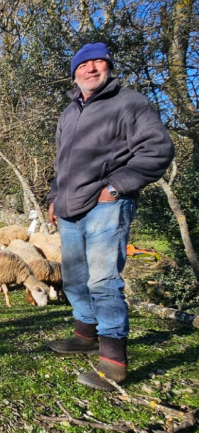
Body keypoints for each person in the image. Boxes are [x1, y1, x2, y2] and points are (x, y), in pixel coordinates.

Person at [46, 42, 174, 391]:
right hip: (70, 210)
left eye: (97, 62)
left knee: (104, 281)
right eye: (83, 64)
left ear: (108, 66)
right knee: (74, 278)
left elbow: (158, 149)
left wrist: (117, 187)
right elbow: (61, 163)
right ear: (74, 73)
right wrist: (54, 197)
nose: (90, 68)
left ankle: (113, 362)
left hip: (106, 206)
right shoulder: (69, 112)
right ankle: (84, 335)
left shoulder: (130, 103)